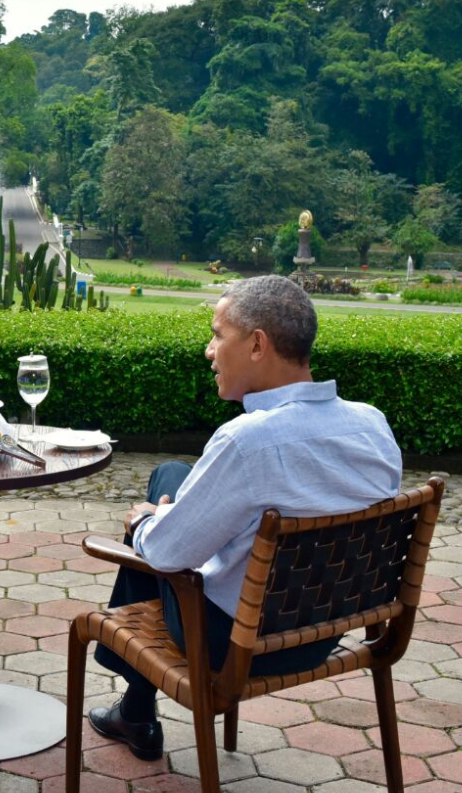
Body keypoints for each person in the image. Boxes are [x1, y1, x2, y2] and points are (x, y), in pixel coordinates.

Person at [89, 275, 402, 760]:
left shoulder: (247, 441)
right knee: (176, 479)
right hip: (324, 633)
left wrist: (148, 522)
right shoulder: (372, 425)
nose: (209, 350)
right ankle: (134, 709)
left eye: (217, 334)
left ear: (257, 344)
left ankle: (135, 708)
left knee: (162, 495)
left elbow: (169, 555)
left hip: (230, 644)